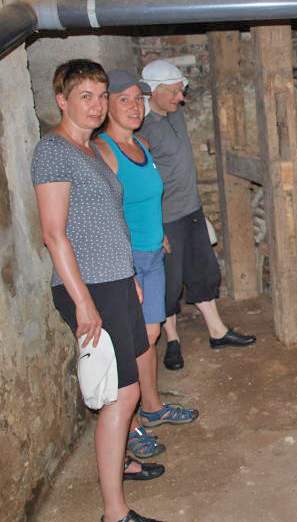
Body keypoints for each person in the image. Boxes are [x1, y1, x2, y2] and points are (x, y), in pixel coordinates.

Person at [31, 59, 164, 522]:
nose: (95, 105)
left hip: (114, 281)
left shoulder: (91, 152)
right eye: (84, 96)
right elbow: (53, 233)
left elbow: (109, 226)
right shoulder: (54, 151)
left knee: (120, 390)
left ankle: (121, 464)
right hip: (89, 288)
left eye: (100, 95)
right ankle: (114, 512)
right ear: (62, 100)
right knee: (121, 395)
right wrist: (85, 303)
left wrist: (129, 277)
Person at [95, 70, 199, 457]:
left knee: (151, 335)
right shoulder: (104, 151)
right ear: (107, 104)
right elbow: (104, 214)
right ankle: (133, 423)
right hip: (128, 260)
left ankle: (152, 408)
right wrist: (125, 267)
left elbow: (145, 200)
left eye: (139, 99)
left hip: (152, 253)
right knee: (131, 341)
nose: (135, 106)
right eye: (125, 99)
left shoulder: (140, 144)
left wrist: (160, 234)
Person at [136, 59, 255, 370]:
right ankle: (172, 340)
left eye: (181, 91)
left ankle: (218, 331)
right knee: (169, 284)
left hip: (191, 210)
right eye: (174, 92)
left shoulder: (176, 116)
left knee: (203, 273)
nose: (181, 98)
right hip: (165, 218)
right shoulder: (143, 129)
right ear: (153, 92)